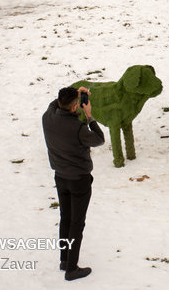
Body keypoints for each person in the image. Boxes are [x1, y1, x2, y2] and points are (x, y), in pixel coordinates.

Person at [42, 86, 105, 281]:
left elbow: (54, 104)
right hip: (79, 180)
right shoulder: (78, 129)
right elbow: (99, 139)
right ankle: (72, 269)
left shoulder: (47, 117)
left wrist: (72, 94)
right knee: (77, 223)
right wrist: (89, 117)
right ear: (75, 106)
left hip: (60, 177)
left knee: (66, 218)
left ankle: (64, 259)